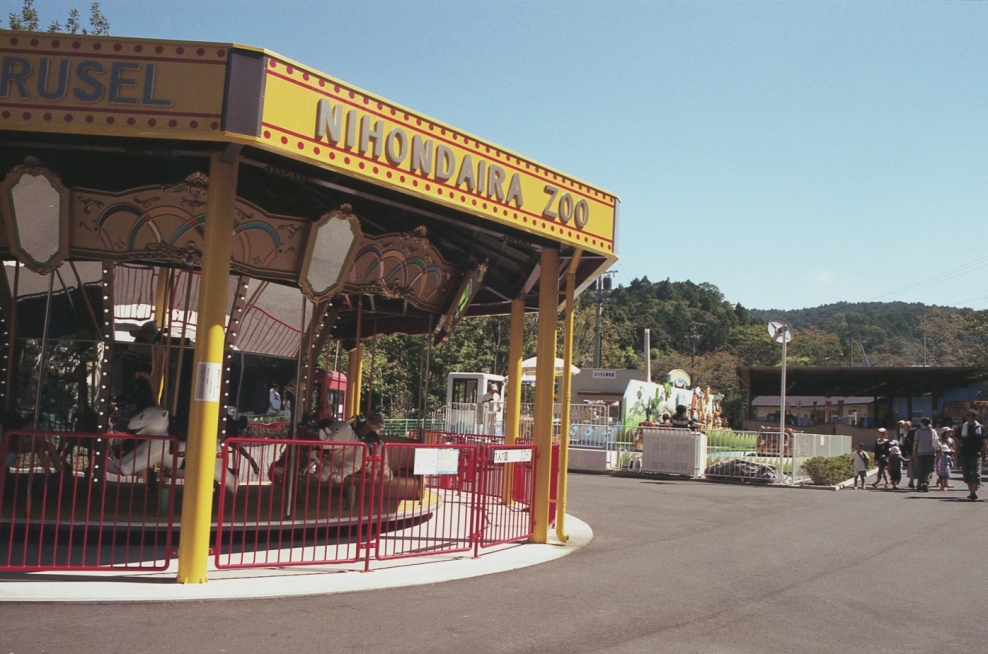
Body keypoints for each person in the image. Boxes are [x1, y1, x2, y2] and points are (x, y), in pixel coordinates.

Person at [953, 410, 986, 501]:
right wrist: (956, 451)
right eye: (966, 416)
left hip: (976, 453)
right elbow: (958, 440)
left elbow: (984, 442)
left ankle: (973, 492)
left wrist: (985, 454)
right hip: (964, 453)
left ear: (975, 417)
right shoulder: (962, 427)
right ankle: (971, 490)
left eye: (969, 416)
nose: (967, 417)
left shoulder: (981, 428)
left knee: (976, 472)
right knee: (966, 473)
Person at [911, 418, 938, 492]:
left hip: (921, 453)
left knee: (921, 469)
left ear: (922, 423)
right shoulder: (932, 431)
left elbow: (915, 443)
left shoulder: (918, 431)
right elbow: (937, 441)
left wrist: (914, 452)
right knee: (930, 469)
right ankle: (926, 483)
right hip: (931, 452)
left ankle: (922, 483)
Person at [900, 421, 916, 488]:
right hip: (911, 450)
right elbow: (904, 441)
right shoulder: (903, 431)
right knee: (912, 466)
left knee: (913, 466)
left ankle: (913, 481)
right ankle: (912, 481)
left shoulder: (912, 431)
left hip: (912, 450)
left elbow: (906, 441)